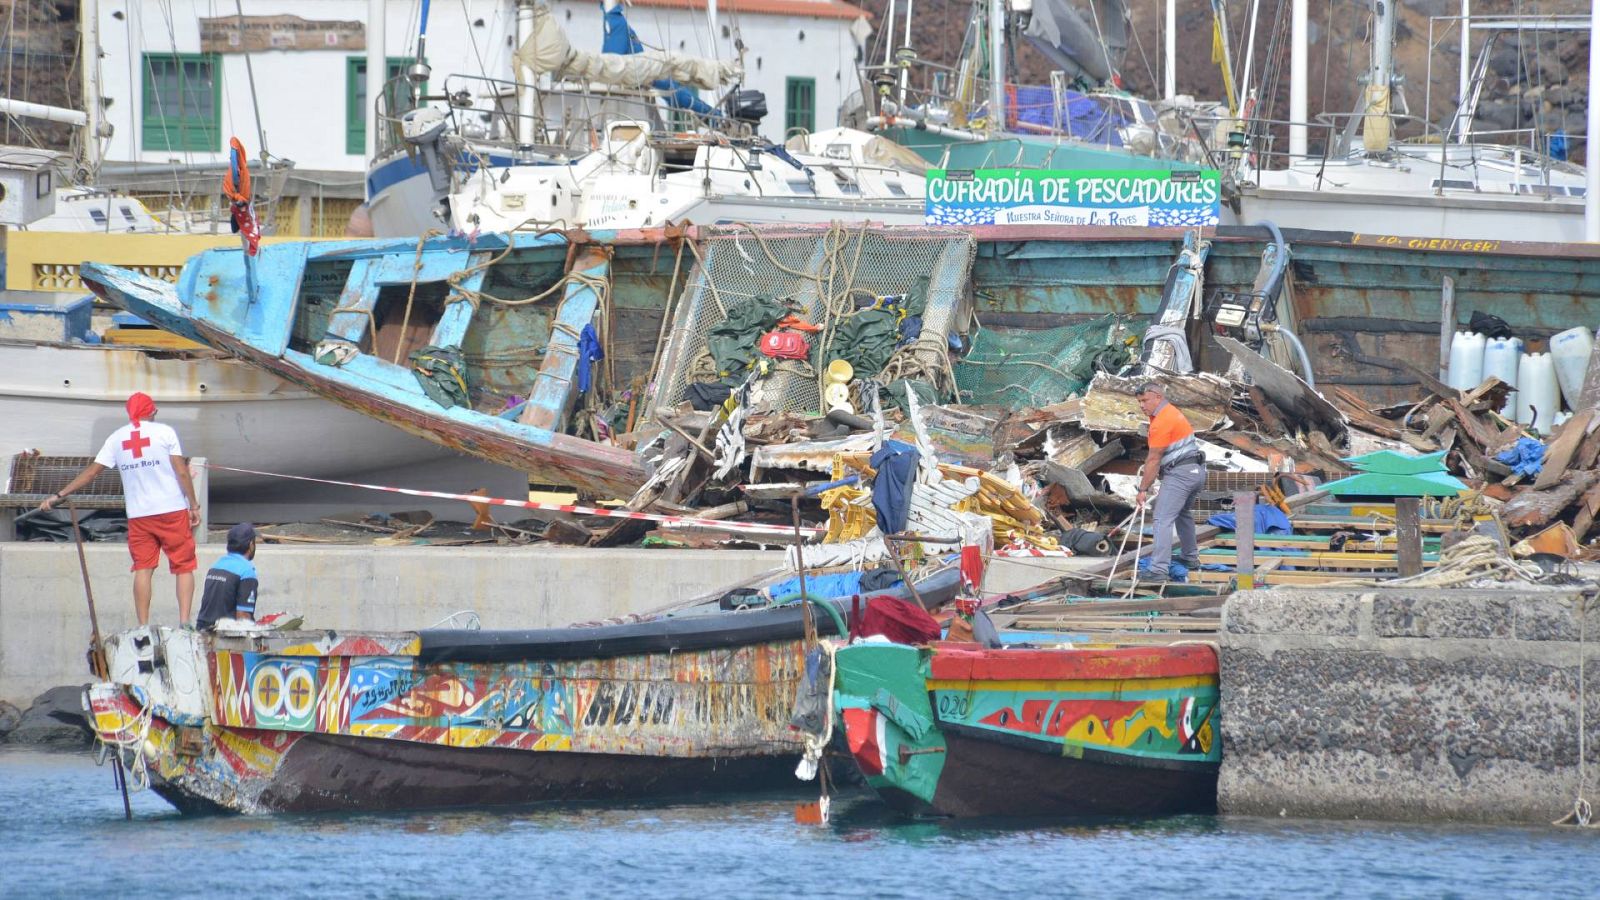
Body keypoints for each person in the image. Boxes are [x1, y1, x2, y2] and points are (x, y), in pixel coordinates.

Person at [40, 392, 201, 625]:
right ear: (152, 411)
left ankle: (142, 626)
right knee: (183, 565)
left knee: (143, 568)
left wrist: (59, 495)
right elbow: (182, 471)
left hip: (138, 515)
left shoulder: (116, 438)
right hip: (171, 510)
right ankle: (185, 622)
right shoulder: (165, 432)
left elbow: (92, 472)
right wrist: (193, 505)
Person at [1134, 382, 1206, 583]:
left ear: (1157, 396)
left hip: (1181, 474)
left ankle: (1158, 570)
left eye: (1145, 400)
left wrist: (1143, 489)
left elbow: (1154, 459)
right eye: (1139, 401)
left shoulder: (1162, 421)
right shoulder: (1172, 413)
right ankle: (1190, 558)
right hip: (1196, 471)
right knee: (1183, 514)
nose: (1141, 405)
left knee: (1161, 518)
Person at [197, 523, 259, 632]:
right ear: (251, 545)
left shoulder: (216, 566)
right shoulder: (247, 572)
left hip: (203, 631)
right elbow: (243, 616)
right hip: (225, 636)